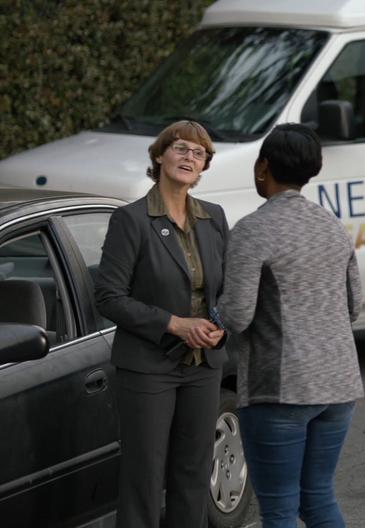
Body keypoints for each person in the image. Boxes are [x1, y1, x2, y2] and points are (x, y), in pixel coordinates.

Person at [218, 123, 363, 527]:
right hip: (339, 383)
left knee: (279, 508)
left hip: (279, 388)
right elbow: (355, 306)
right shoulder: (333, 226)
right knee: (318, 498)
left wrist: (208, 313)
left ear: (263, 166)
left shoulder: (252, 230)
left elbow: (237, 315)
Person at [95, 120, 229, 527]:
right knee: (144, 480)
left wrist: (218, 322)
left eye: (199, 153)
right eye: (181, 149)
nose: (190, 158)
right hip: (148, 368)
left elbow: (226, 288)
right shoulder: (131, 220)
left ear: (205, 165)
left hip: (203, 366)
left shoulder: (215, 218)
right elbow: (108, 297)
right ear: (159, 155)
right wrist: (174, 323)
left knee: (192, 477)